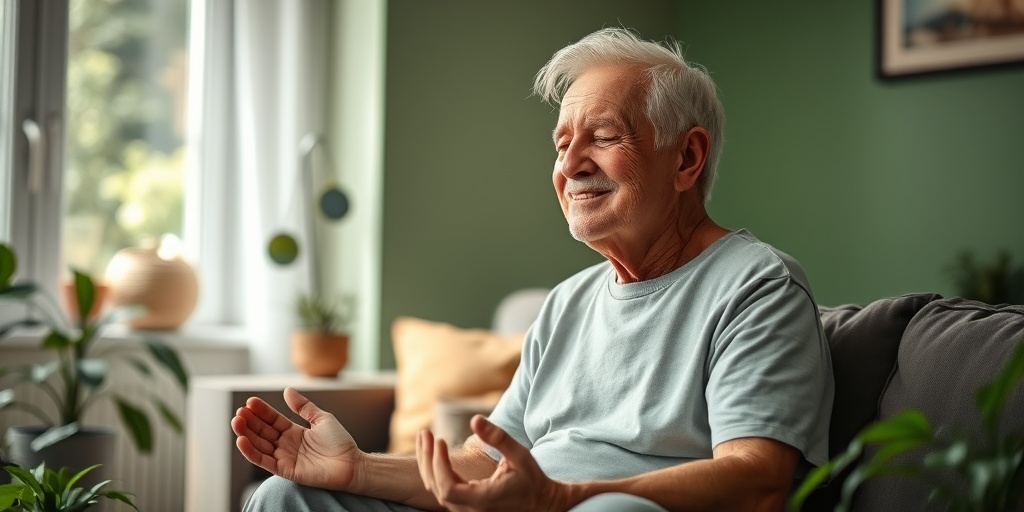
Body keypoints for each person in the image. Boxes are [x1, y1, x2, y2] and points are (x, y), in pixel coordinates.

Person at [232, 27, 834, 512]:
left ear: (687, 157)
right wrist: (358, 468)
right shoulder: (568, 302)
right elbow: (483, 463)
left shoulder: (757, 287)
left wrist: (561, 499)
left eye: (602, 137)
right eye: (561, 144)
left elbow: (757, 481)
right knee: (289, 496)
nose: (570, 165)